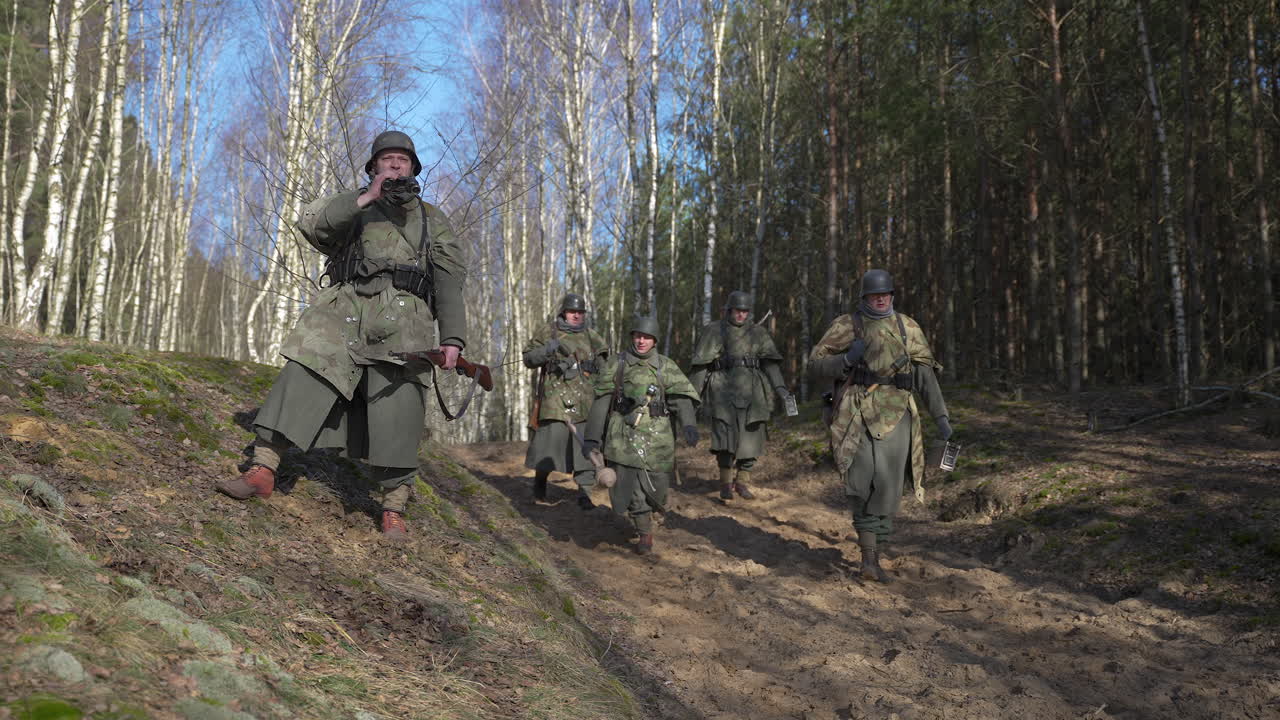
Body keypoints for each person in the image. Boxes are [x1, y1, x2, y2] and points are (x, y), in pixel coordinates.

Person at [216, 130, 468, 542]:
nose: (395, 164)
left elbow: (449, 280)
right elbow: (311, 225)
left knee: (400, 410)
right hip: (343, 312)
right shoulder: (353, 204)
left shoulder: (432, 219)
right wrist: (365, 198)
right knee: (303, 375)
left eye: (402, 159)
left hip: (405, 322)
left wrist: (453, 338)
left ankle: (393, 509)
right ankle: (261, 470)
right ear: (373, 167)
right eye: (386, 159)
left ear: (413, 168)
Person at [809, 269, 951, 582]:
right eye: (875, 295)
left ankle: (875, 548)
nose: (881, 299)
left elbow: (925, 376)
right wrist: (846, 361)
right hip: (856, 413)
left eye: (885, 294)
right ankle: (869, 558)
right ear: (864, 297)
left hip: (898, 414)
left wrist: (941, 417)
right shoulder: (847, 325)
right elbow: (815, 364)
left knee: (889, 487)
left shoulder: (908, 327)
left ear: (892, 295)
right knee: (861, 484)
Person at [581, 317, 700, 555]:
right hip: (623, 436)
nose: (641, 341)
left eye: (646, 337)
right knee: (631, 487)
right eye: (637, 336)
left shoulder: (665, 365)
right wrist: (592, 438)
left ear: (655, 340)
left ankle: (651, 510)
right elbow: (602, 401)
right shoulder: (617, 363)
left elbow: (681, 398)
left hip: (658, 437)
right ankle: (645, 532)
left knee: (658, 486)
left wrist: (689, 424)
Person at [688, 291, 793, 502]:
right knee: (724, 439)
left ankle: (742, 481)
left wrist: (781, 389)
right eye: (737, 310)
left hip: (753, 391)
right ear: (729, 310)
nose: (741, 315)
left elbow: (771, 364)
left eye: (745, 311)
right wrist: (691, 396)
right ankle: (726, 483)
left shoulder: (758, 333)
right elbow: (700, 366)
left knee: (752, 438)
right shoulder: (714, 330)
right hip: (721, 389)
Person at [522, 293, 609, 508]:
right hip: (554, 400)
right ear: (564, 312)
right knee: (547, 447)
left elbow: (605, 370)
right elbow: (528, 359)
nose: (576, 316)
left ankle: (584, 494)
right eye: (572, 312)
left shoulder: (593, 337)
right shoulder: (548, 332)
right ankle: (539, 486)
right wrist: (547, 349)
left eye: (580, 312)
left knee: (585, 450)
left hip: (584, 401)